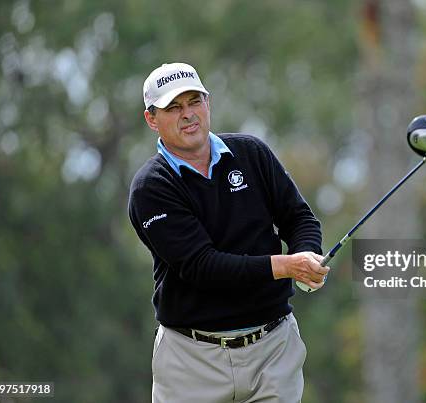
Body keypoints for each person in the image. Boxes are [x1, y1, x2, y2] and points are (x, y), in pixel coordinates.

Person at [128, 62, 330, 403]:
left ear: (208, 103)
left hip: (272, 350)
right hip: (190, 361)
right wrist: (285, 266)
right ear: (151, 119)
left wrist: (308, 254)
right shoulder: (152, 188)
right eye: (174, 107)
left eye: (195, 101)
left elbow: (298, 217)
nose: (188, 114)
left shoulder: (251, 154)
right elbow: (203, 267)